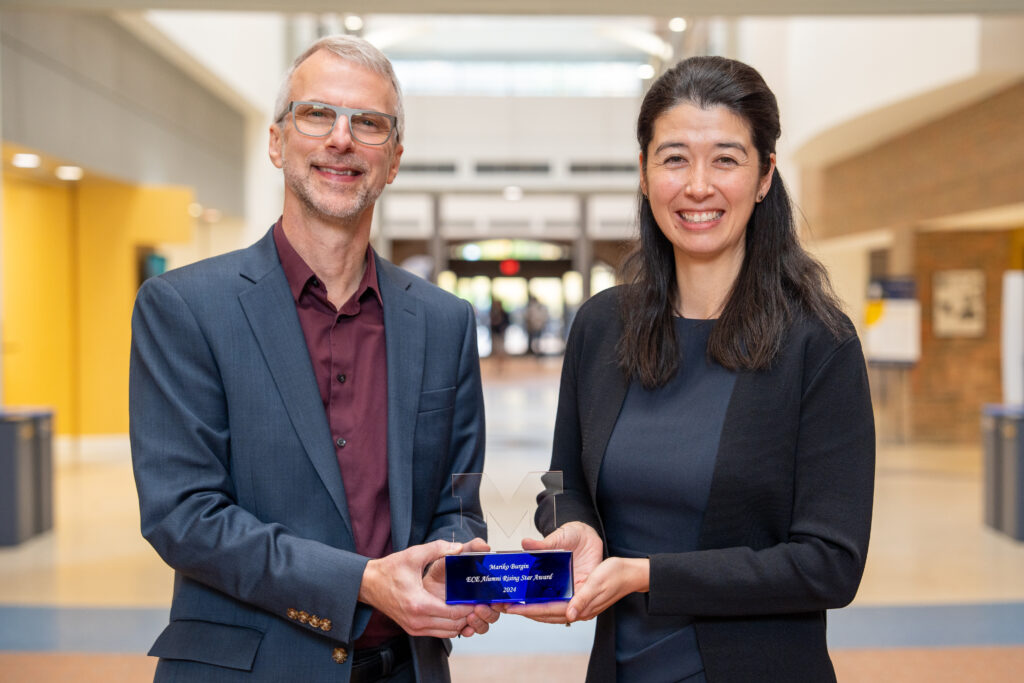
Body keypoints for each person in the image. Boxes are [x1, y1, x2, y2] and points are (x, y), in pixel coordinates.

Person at [129, 35, 497, 682]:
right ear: (277, 140)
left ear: (394, 160)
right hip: (244, 669)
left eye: (370, 124)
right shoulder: (183, 308)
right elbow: (183, 516)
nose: (341, 140)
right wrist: (363, 581)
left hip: (402, 668)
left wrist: (452, 564)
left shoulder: (445, 322)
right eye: (317, 114)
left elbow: (458, 496)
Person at [507, 55, 875, 682]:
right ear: (645, 174)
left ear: (765, 177)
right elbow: (563, 482)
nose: (698, 185)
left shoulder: (819, 344)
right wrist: (573, 527)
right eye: (674, 157)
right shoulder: (603, 326)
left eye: (726, 159)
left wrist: (649, 575)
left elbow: (828, 565)